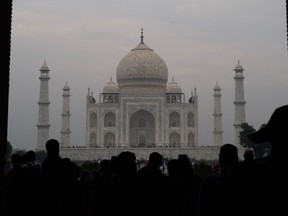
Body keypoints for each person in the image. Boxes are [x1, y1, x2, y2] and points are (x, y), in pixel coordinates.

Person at [198, 143, 238, 216]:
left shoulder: (210, 181)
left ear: (220, 158)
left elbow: (202, 208)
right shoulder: (245, 180)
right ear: (237, 159)